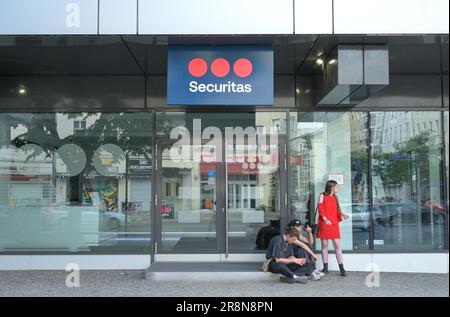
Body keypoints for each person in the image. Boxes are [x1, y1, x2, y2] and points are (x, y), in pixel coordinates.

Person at [317, 180, 350, 277]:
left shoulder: (335, 197)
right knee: (324, 244)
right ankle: (325, 267)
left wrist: (342, 214)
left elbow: (336, 210)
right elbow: (320, 208)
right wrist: (325, 219)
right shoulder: (322, 195)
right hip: (325, 222)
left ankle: (342, 268)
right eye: (336, 186)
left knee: (337, 245)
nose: (338, 188)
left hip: (334, 223)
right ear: (332, 187)